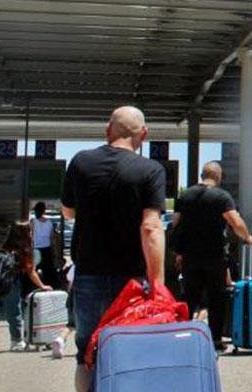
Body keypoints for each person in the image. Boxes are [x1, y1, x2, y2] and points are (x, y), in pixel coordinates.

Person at [60, 106, 166, 392]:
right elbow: (151, 228)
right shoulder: (150, 170)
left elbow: (68, 212)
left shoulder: (80, 162)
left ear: (108, 130)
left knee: (86, 354)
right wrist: (158, 283)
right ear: (143, 135)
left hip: (89, 275)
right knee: (131, 350)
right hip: (131, 281)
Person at [171, 161, 252, 352]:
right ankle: (216, 339)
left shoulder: (186, 195)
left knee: (189, 297)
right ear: (219, 176)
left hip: (190, 256)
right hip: (214, 256)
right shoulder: (222, 196)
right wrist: (247, 237)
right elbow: (235, 221)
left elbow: (176, 223)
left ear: (202, 174)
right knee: (217, 298)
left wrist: (179, 252)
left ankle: (181, 336)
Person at [0, 222, 52, 353]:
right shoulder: (24, 249)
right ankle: (16, 341)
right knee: (14, 312)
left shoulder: (4, 247)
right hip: (10, 283)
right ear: (27, 233)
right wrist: (42, 286)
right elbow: (31, 272)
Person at [29, 203, 59, 289]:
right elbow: (51, 238)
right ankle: (51, 286)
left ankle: (35, 286)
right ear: (44, 211)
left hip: (36, 249)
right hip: (47, 248)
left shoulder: (33, 221)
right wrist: (55, 252)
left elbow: (31, 235)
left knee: (33, 270)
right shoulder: (49, 222)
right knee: (48, 270)